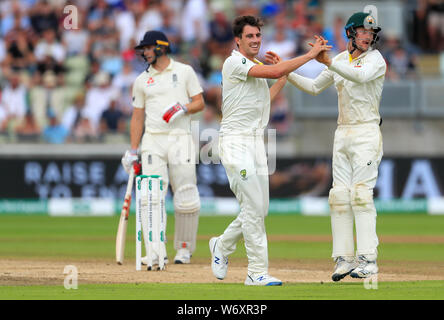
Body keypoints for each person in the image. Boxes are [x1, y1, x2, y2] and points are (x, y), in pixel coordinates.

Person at [208, 15, 330, 286]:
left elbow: (265, 100)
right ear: (238, 40)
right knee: (253, 208)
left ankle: (222, 245)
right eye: (249, 36)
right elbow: (274, 72)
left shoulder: (255, 65)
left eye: (258, 36)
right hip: (235, 142)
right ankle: (256, 272)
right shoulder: (233, 62)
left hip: (256, 143)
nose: (255, 40)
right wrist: (310, 54)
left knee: (260, 209)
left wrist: (283, 77)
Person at [280, 12, 386, 281]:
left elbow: (358, 77)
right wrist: (286, 70)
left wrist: (327, 61)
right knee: (338, 196)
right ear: (350, 33)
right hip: (343, 133)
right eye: (363, 31)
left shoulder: (375, 60)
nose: (368, 36)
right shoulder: (339, 60)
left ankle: (368, 259)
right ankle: (344, 259)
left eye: (371, 33)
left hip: (366, 132)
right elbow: (315, 87)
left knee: (361, 195)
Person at [121, 30, 204, 266]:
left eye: (147, 48)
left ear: (160, 47)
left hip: (181, 137)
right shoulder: (141, 80)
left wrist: (184, 108)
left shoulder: (184, 71)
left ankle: (184, 249)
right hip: (153, 140)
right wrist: (133, 150)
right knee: (151, 196)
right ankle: (156, 251)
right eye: (143, 49)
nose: (144, 53)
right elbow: (137, 117)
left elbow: (200, 102)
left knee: (186, 194)